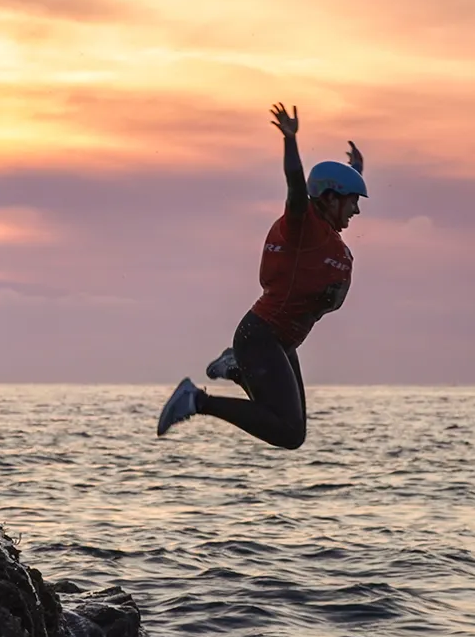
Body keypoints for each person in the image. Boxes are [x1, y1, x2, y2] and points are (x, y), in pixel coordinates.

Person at [156, 104, 366, 449]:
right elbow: (297, 186)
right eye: (352, 201)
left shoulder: (328, 236)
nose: (356, 210)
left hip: (279, 343)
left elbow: (327, 185)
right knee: (284, 430)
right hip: (261, 336)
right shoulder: (303, 227)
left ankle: (234, 368)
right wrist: (290, 140)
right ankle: (196, 400)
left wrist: (355, 169)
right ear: (329, 198)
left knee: (293, 434)